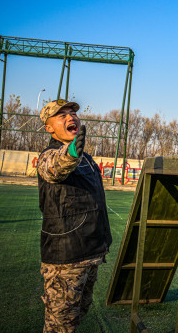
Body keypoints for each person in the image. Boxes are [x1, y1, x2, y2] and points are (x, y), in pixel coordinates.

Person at [37, 99, 112, 333]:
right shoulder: (50, 155)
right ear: (49, 128)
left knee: (79, 313)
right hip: (66, 259)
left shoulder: (87, 159)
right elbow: (55, 167)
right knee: (61, 325)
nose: (71, 117)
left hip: (90, 253)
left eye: (72, 113)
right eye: (62, 116)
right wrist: (70, 152)